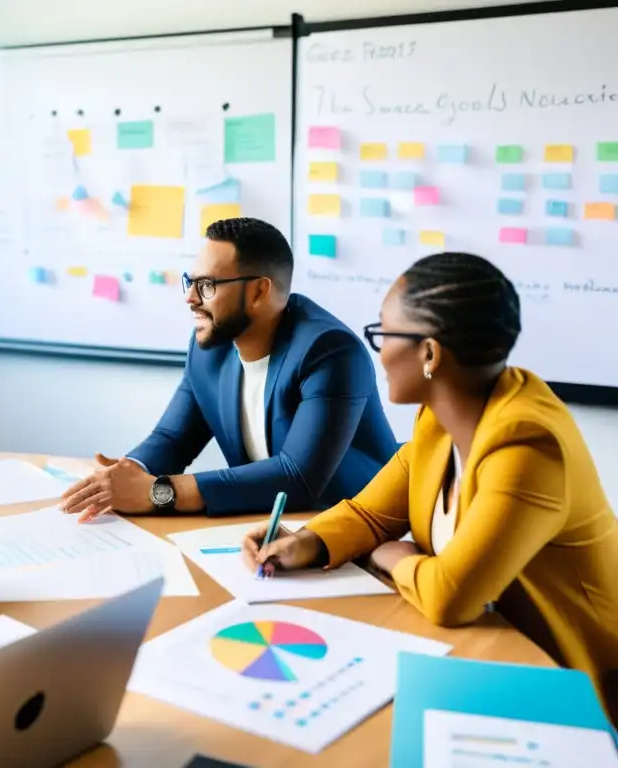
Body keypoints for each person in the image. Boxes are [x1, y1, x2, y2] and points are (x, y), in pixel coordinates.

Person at [242, 252, 618, 723]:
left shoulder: (528, 445)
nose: (376, 352)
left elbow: (451, 597)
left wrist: (389, 555)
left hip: (570, 688)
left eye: (382, 334)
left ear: (430, 354)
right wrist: (305, 543)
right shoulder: (440, 418)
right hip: (486, 653)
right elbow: (371, 515)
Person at [61, 217, 398, 521]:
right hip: (268, 526)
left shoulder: (330, 351)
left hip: (356, 528)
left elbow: (297, 477)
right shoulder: (211, 346)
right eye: (189, 282)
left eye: (207, 285)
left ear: (258, 291)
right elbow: (174, 438)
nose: (190, 298)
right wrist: (127, 474)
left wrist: (156, 492)